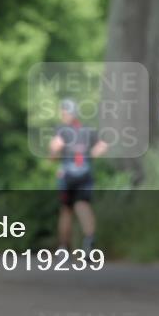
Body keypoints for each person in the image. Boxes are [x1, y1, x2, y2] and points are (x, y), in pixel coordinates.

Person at [49, 99, 108, 252]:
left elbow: (54, 150)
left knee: (66, 210)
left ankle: (63, 248)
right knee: (83, 206)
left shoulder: (62, 130)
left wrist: (54, 155)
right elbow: (104, 144)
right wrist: (89, 157)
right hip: (85, 172)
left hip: (67, 174)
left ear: (65, 113)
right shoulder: (87, 129)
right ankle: (89, 242)